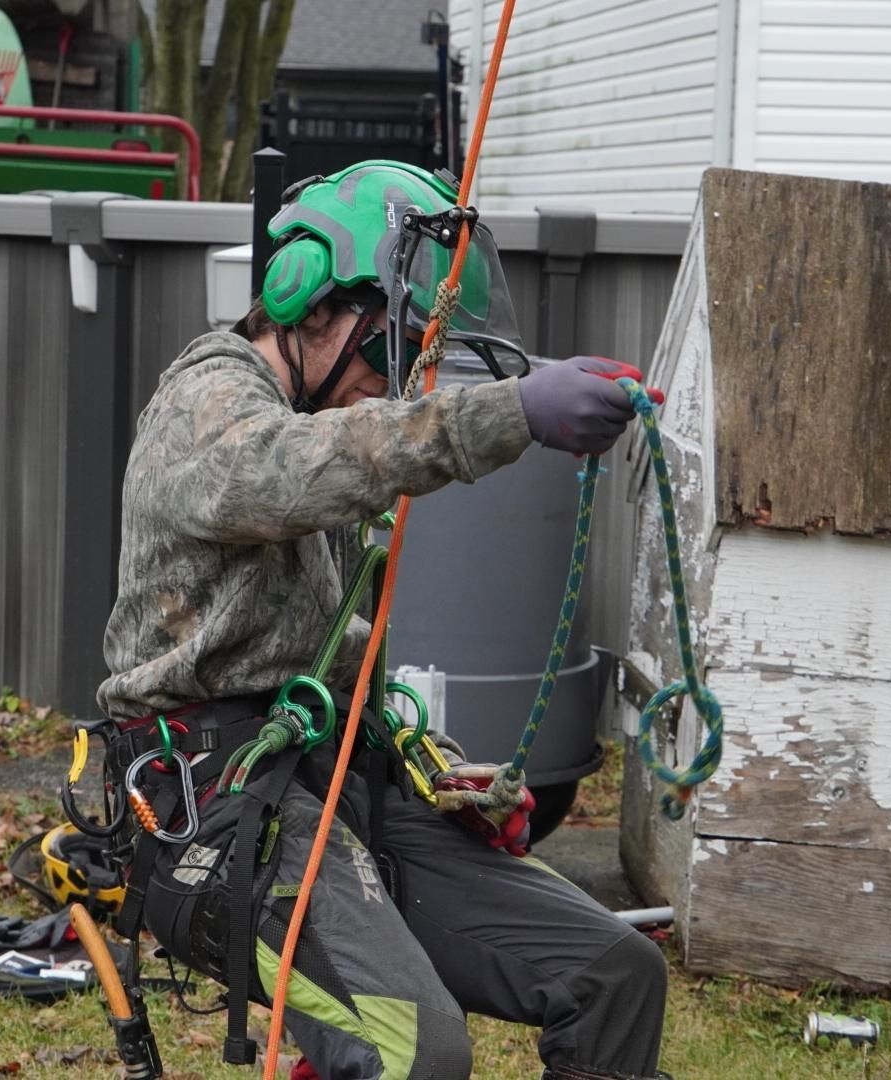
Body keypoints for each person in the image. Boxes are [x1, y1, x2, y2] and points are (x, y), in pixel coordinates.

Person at [98, 160, 670, 1080]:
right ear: (305, 298)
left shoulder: (319, 412)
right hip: (211, 813)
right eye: (384, 348)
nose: (396, 381)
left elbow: (339, 661)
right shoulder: (207, 404)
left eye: (414, 357)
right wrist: (508, 414)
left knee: (615, 974)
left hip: (341, 789)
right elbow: (294, 466)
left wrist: (438, 769)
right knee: (416, 1053)